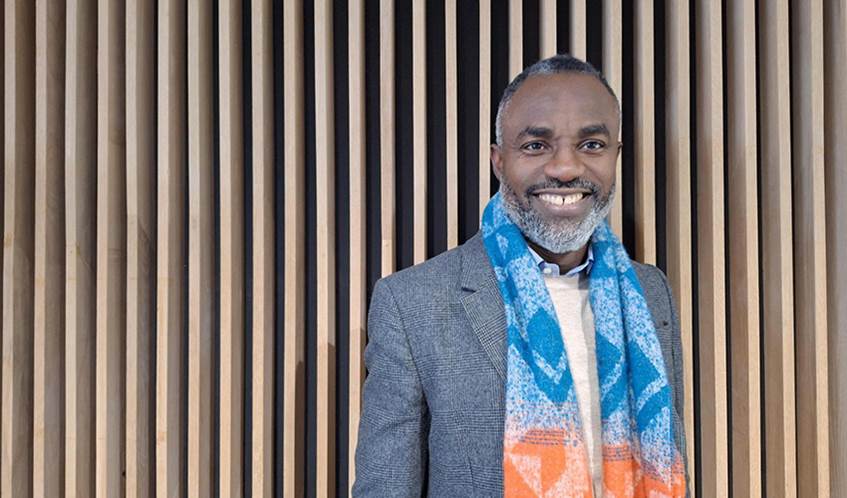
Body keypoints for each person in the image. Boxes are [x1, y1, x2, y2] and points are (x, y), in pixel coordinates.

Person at [353, 54, 688, 498]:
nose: (566, 169)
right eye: (536, 145)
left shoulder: (650, 293)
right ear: (498, 161)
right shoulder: (414, 302)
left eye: (592, 145)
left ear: (616, 157)